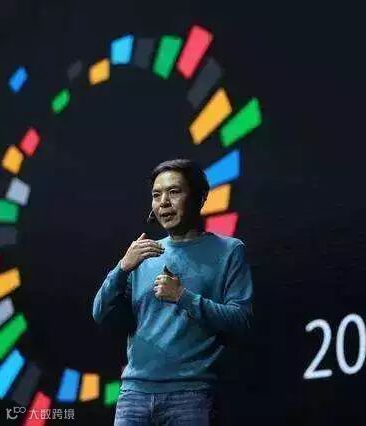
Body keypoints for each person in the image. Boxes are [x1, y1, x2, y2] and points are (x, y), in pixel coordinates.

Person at [92, 158, 254, 425]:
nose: (163, 202)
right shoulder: (143, 254)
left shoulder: (229, 250)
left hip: (192, 396)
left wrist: (183, 297)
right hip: (133, 395)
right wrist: (122, 268)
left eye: (174, 192)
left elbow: (241, 321)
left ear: (200, 197)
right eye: (156, 195)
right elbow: (100, 313)